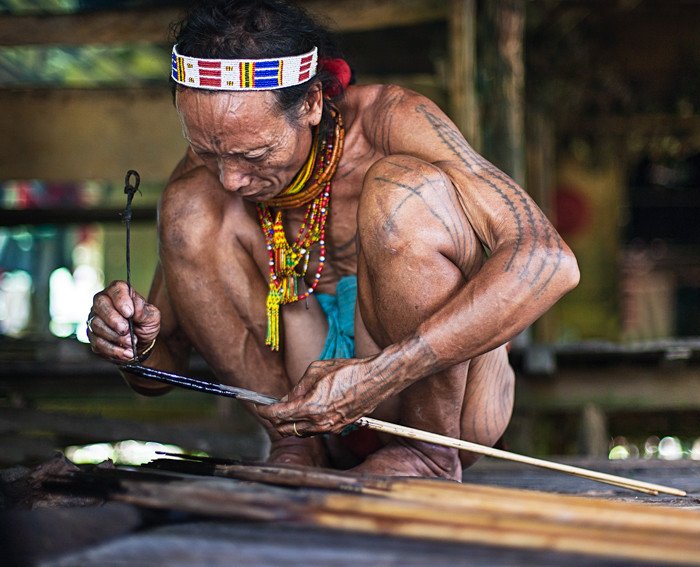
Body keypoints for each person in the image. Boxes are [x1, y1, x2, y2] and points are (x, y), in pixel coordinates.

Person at [87, 0, 579, 480]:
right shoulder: (208, 182)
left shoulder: (393, 121)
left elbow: (550, 259)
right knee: (187, 203)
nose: (231, 178)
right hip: (309, 413)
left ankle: (426, 456)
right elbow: (158, 372)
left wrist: (379, 375)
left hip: (447, 413)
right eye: (208, 151)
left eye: (254, 154)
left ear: (313, 102)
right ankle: (296, 446)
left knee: (402, 192)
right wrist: (130, 342)